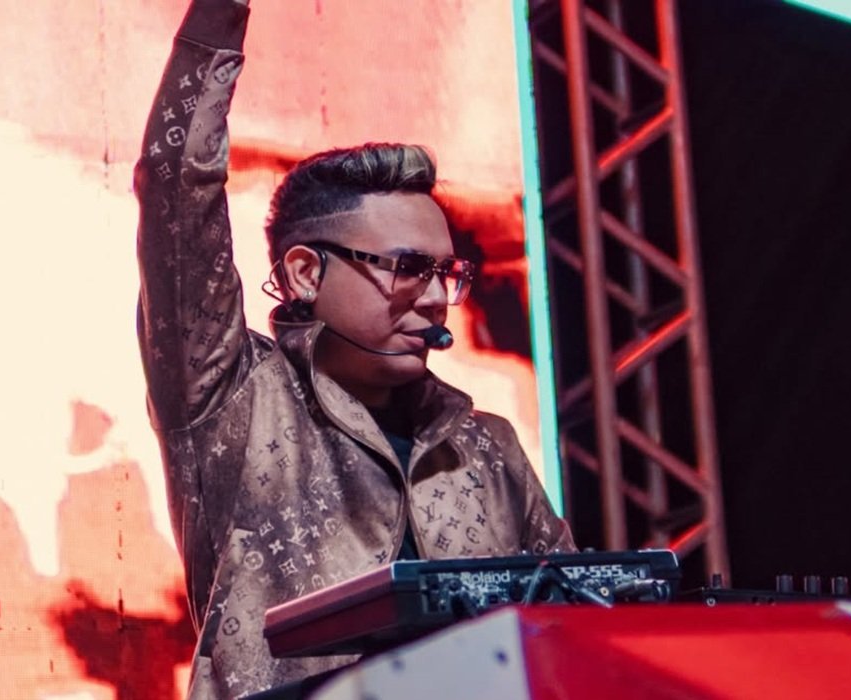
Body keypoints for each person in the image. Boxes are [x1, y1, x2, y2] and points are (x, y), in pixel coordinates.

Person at [134, 0, 575, 696]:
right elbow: (174, 184)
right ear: (306, 274)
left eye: (447, 273)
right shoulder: (233, 398)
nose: (436, 298)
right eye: (408, 269)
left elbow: (574, 627)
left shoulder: (488, 446)